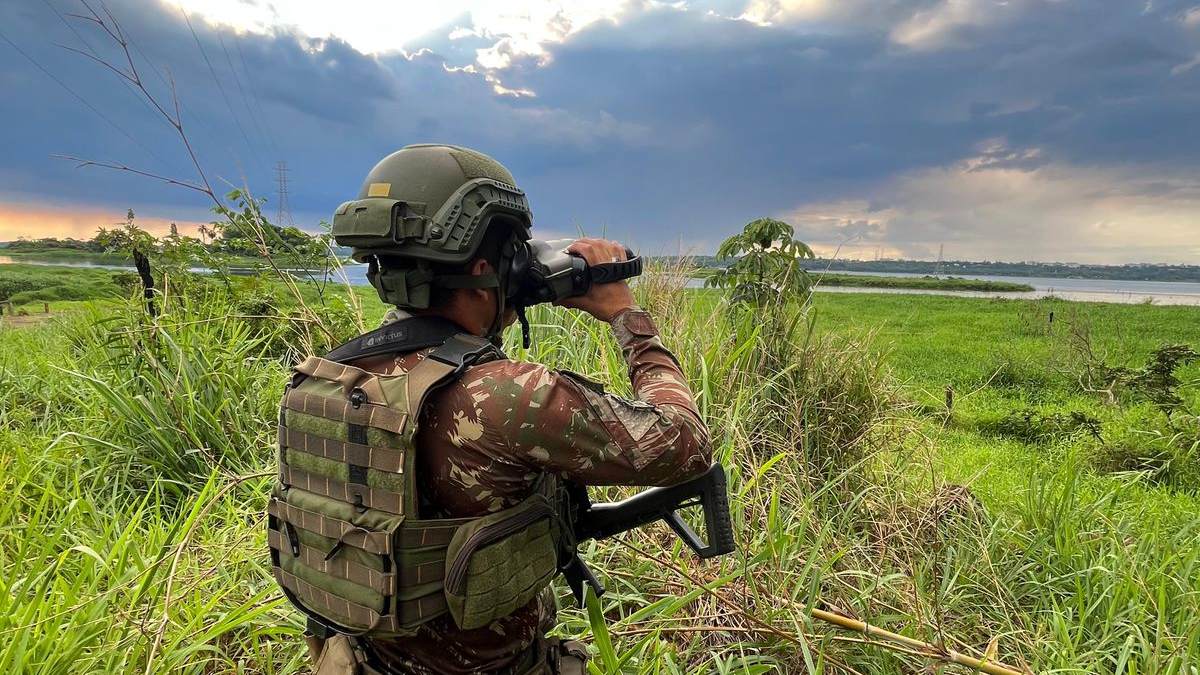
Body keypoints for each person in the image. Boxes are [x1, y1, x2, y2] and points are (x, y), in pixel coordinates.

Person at [271, 144, 711, 674]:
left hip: (360, 662)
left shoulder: (329, 380)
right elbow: (684, 444)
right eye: (515, 253)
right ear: (485, 266)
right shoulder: (504, 397)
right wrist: (627, 317)